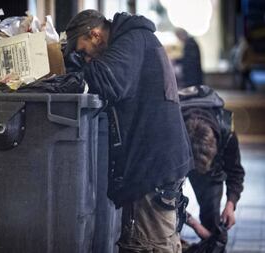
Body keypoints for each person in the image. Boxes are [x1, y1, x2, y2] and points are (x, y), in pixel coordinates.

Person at [64, 10, 193, 252]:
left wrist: (73, 66)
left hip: (153, 165)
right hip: (156, 162)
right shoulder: (135, 39)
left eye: (83, 52)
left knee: (149, 245)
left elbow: (108, 81)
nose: (86, 59)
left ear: (95, 35)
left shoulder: (132, 40)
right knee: (153, 241)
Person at [179, 85, 245, 245]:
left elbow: (235, 171)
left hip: (211, 170)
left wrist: (231, 204)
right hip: (180, 158)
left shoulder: (226, 131)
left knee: (215, 231)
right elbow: (159, 193)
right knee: (164, 217)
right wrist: (191, 222)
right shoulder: (172, 132)